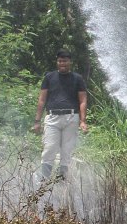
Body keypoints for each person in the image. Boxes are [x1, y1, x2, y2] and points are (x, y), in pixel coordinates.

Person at [32, 49, 88, 182]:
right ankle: (44, 181)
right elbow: (42, 99)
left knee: (67, 151)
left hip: (71, 118)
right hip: (52, 118)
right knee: (50, 148)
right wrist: (37, 121)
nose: (62, 63)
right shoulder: (49, 77)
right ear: (57, 62)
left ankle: (61, 181)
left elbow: (83, 100)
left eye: (65, 61)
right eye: (60, 61)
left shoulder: (77, 79)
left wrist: (83, 121)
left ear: (70, 62)